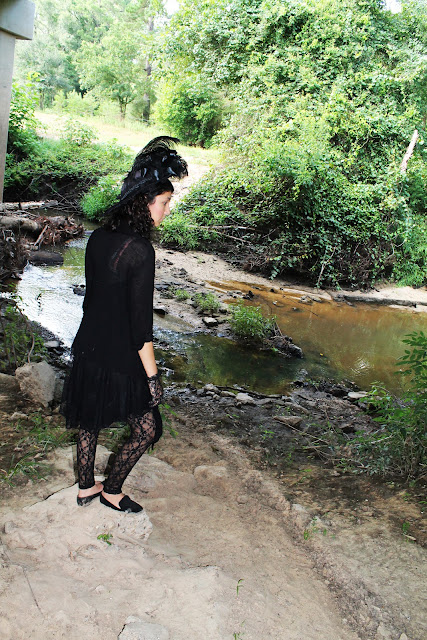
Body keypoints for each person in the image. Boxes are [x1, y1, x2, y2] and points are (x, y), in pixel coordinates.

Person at [61, 137, 188, 513]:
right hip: (119, 354)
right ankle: (111, 491)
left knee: (90, 419)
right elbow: (140, 327)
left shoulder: (99, 237)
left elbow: (93, 300)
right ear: (144, 202)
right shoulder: (141, 251)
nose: (167, 210)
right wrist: (153, 378)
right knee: (148, 429)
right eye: (164, 202)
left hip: (89, 345)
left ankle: (86, 488)